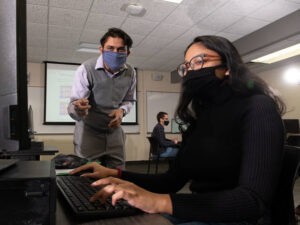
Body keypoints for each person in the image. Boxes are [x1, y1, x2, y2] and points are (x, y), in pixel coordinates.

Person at [70, 35, 286, 225]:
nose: (191, 70)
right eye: (187, 66)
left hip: (240, 217)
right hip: (201, 210)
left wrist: (157, 201)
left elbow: (252, 201)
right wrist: (116, 174)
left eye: (200, 61)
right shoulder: (202, 118)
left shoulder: (258, 108)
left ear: (228, 67)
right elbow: (171, 181)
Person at [68, 28, 136, 169]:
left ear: (127, 53)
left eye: (120, 49)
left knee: (118, 175)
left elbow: (129, 100)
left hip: (114, 133)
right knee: (86, 178)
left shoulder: (131, 72)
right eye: (110, 48)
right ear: (101, 50)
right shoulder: (86, 69)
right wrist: (78, 108)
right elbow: (74, 105)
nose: (115, 53)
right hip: (89, 133)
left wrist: (122, 111)